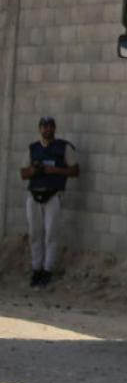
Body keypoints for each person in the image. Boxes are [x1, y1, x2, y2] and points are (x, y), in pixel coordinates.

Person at [19, 116, 79, 288]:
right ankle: (36, 269)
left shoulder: (63, 148)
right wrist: (34, 170)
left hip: (53, 195)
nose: (46, 130)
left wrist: (53, 170)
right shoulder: (33, 148)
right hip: (34, 195)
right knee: (35, 234)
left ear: (54, 128)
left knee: (51, 234)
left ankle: (47, 270)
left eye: (49, 127)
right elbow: (23, 173)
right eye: (44, 127)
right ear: (40, 129)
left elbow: (75, 171)